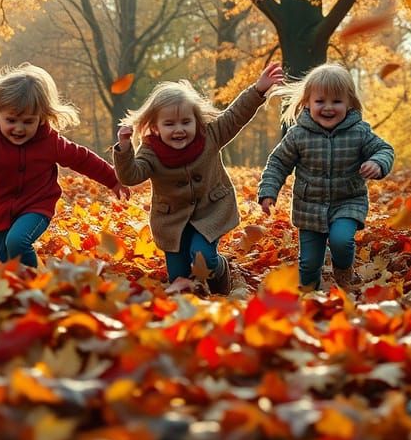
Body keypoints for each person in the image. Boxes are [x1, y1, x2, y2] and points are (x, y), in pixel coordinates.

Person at [113, 64, 284, 295]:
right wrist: (125, 148)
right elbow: (130, 176)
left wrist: (258, 90)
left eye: (186, 122)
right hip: (172, 221)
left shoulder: (210, 135)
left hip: (210, 211)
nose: (179, 130)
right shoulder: (150, 151)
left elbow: (235, 115)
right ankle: (194, 303)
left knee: (204, 258)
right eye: (169, 124)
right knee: (179, 278)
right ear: (155, 126)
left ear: (197, 120)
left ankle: (221, 278)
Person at [0, 63, 129, 267]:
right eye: (11, 120)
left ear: (41, 118)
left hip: (37, 207)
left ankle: (36, 280)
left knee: (17, 242)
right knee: (6, 259)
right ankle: (17, 284)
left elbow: (83, 160)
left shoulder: (50, 142)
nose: (19, 128)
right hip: (0, 211)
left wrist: (114, 180)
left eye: (28, 121)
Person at [257, 63, 394, 291]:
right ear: (307, 102)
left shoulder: (359, 132)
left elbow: (384, 150)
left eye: (336, 101)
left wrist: (377, 163)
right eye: (320, 101)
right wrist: (268, 191)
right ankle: (310, 293)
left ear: (349, 103)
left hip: (348, 201)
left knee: (342, 240)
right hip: (309, 207)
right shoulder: (298, 135)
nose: (328, 108)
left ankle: (343, 271)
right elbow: (278, 163)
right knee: (309, 263)